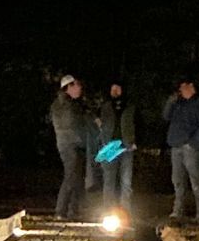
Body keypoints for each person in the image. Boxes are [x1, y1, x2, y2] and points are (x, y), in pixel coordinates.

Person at [163, 76, 199, 221]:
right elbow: (166, 116)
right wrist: (170, 102)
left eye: (183, 87)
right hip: (176, 145)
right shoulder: (178, 104)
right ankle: (178, 211)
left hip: (190, 148)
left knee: (196, 180)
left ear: (191, 86)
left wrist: (194, 142)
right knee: (177, 181)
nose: (180, 91)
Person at [48, 75, 92, 220]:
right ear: (69, 87)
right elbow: (73, 125)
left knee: (76, 178)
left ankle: (73, 210)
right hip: (70, 145)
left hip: (71, 144)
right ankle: (60, 210)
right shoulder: (67, 105)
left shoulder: (65, 103)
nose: (80, 88)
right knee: (71, 176)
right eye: (77, 85)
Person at [96, 80, 136, 207]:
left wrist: (136, 141)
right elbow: (98, 124)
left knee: (126, 182)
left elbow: (139, 124)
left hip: (126, 146)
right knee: (109, 181)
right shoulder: (104, 107)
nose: (115, 92)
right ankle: (108, 211)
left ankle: (125, 211)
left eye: (117, 89)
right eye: (113, 89)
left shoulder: (130, 107)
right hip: (110, 146)